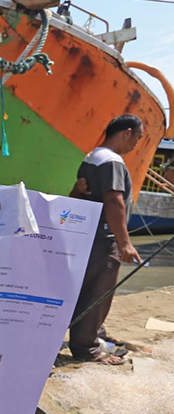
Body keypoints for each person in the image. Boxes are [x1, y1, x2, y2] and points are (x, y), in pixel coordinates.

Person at [68, 114, 144, 365]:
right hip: (103, 238)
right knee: (97, 290)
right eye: (138, 137)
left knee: (90, 288)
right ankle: (87, 347)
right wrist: (124, 242)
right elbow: (114, 201)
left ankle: (96, 330)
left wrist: (76, 190)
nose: (137, 144)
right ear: (126, 132)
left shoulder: (91, 157)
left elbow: (80, 196)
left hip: (89, 235)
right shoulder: (112, 162)